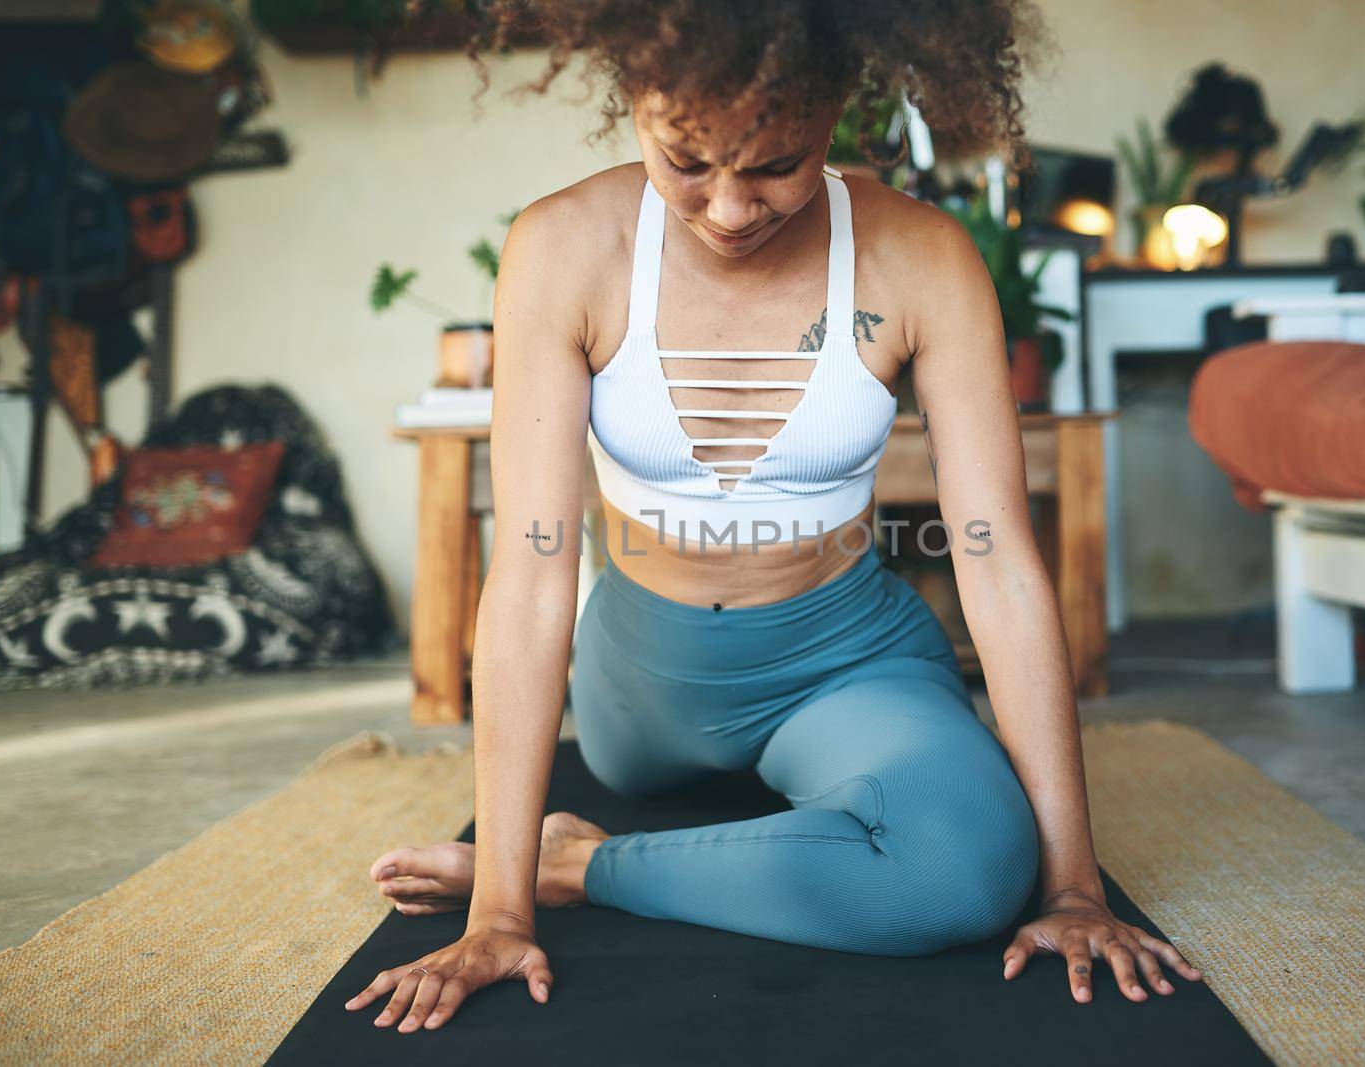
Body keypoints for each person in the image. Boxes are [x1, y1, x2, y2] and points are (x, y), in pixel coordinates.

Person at [346, 0, 1202, 1034]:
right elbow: (530, 569)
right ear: (634, 100)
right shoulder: (564, 247)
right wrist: (497, 908)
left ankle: (589, 862)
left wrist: (1072, 888)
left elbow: (998, 562)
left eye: (774, 164)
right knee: (624, 756)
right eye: (688, 160)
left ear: (840, 105)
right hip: (640, 686)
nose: (730, 208)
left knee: (969, 869)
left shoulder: (920, 256)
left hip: (847, 656)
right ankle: (555, 857)